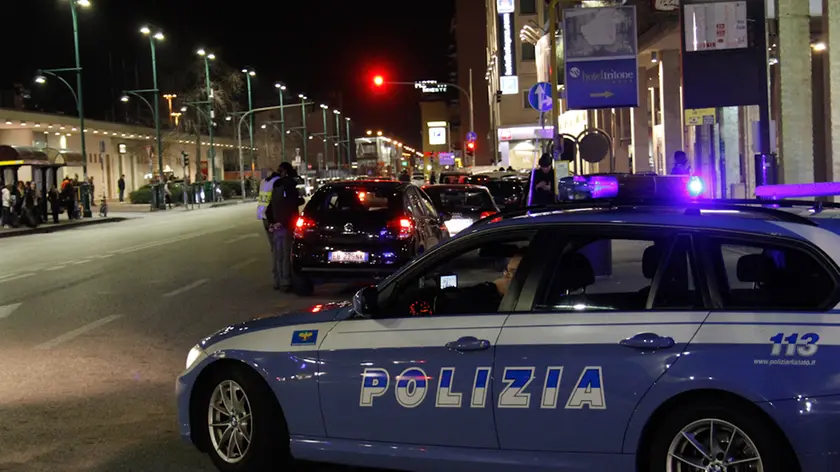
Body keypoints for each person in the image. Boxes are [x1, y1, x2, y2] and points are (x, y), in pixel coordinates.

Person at [266, 162, 303, 291]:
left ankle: (277, 280)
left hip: (276, 224)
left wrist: (272, 222)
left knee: (278, 253)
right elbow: (294, 204)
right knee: (287, 253)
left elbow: (269, 208)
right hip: (287, 224)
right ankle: (286, 281)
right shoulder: (289, 186)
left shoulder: (273, 185)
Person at [257, 167, 283, 248]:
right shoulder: (277, 182)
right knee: (279, 245)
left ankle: (275, 257)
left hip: (263, 214)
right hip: (273, 215)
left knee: (272, 243)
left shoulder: (263, 182)